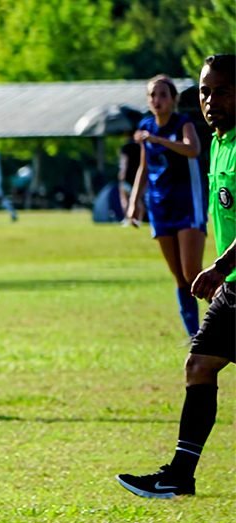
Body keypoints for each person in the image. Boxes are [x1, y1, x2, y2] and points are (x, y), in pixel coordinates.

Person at [117, 54, 235, 499]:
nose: (210, 100)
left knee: (200, 365)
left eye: (222, 90)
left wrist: (219, 266)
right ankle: (179, 475)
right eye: (205, 91)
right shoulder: (221, 141)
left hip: (230, 275)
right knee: (199, 365)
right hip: (233, 286)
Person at [125, 74, 207, 337]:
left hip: (187, 205)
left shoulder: (183, 124)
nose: (156, 100)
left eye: (162, 95)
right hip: (160, 207)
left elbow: (192, 149)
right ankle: (195, 337)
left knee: (193, 272)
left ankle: (226, 318)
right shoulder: (146, 126)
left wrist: (159, 140)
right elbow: (144, 167)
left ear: (174, 99)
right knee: (179, 278)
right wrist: (135, 201)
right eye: (152, 95)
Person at [118, 137, 143, 224]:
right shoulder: (140, 147)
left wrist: (122, 173)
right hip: (138, 176)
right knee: (137, 199)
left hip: (127, 177)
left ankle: (126, 218)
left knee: (124, 198)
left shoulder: (125, 147)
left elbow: (124, 162)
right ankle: (139, 219)